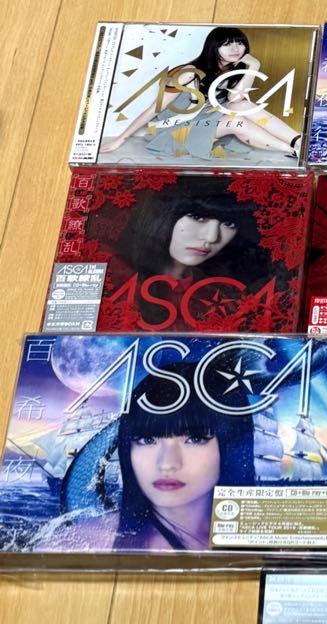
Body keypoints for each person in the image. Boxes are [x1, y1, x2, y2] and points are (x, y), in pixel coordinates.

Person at [33, 363, 255, 552]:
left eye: (195, 439)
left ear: (231, 446)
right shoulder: (73, 545)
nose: (167, 463)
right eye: (147, 440)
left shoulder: (263, 543)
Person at [100, 27, 302, 161]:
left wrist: (254, 66)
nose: (235, 48)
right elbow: (155, 109)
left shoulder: (233, 70)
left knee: (241, 106)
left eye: (239, 43)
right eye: (227, 44)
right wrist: (121, 139)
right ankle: (293, 151)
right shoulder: (189, 73)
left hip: (205, 122)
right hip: (176, 130)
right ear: (213, 47)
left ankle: (300, 142)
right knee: (238, 121)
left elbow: (235, 99)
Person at [106, 179, 266, 329]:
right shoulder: (113, 276)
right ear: (164, 215)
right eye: (197, 217)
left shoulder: (223, 294)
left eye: (229, 224)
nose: (212, 237)